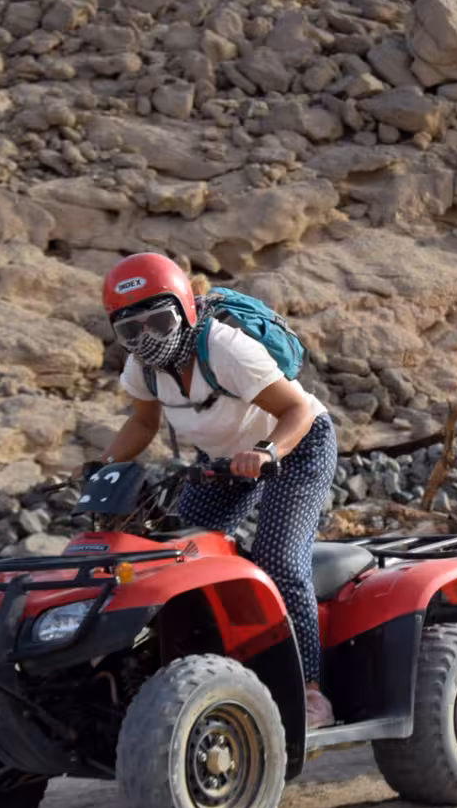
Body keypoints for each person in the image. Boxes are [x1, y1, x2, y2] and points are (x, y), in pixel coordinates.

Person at [93, 253, 340, 729]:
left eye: (160, 319)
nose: (147, 337)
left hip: (296, 447)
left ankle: (312, 693)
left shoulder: (225, 349)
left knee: (280, 560)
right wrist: (102, 469)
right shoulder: (142, 367)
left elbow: (297, 411)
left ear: (185, 310)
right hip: (221, 463)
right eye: (131, 329)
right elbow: (143, 423)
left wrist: (268, 453)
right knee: (177, 559)